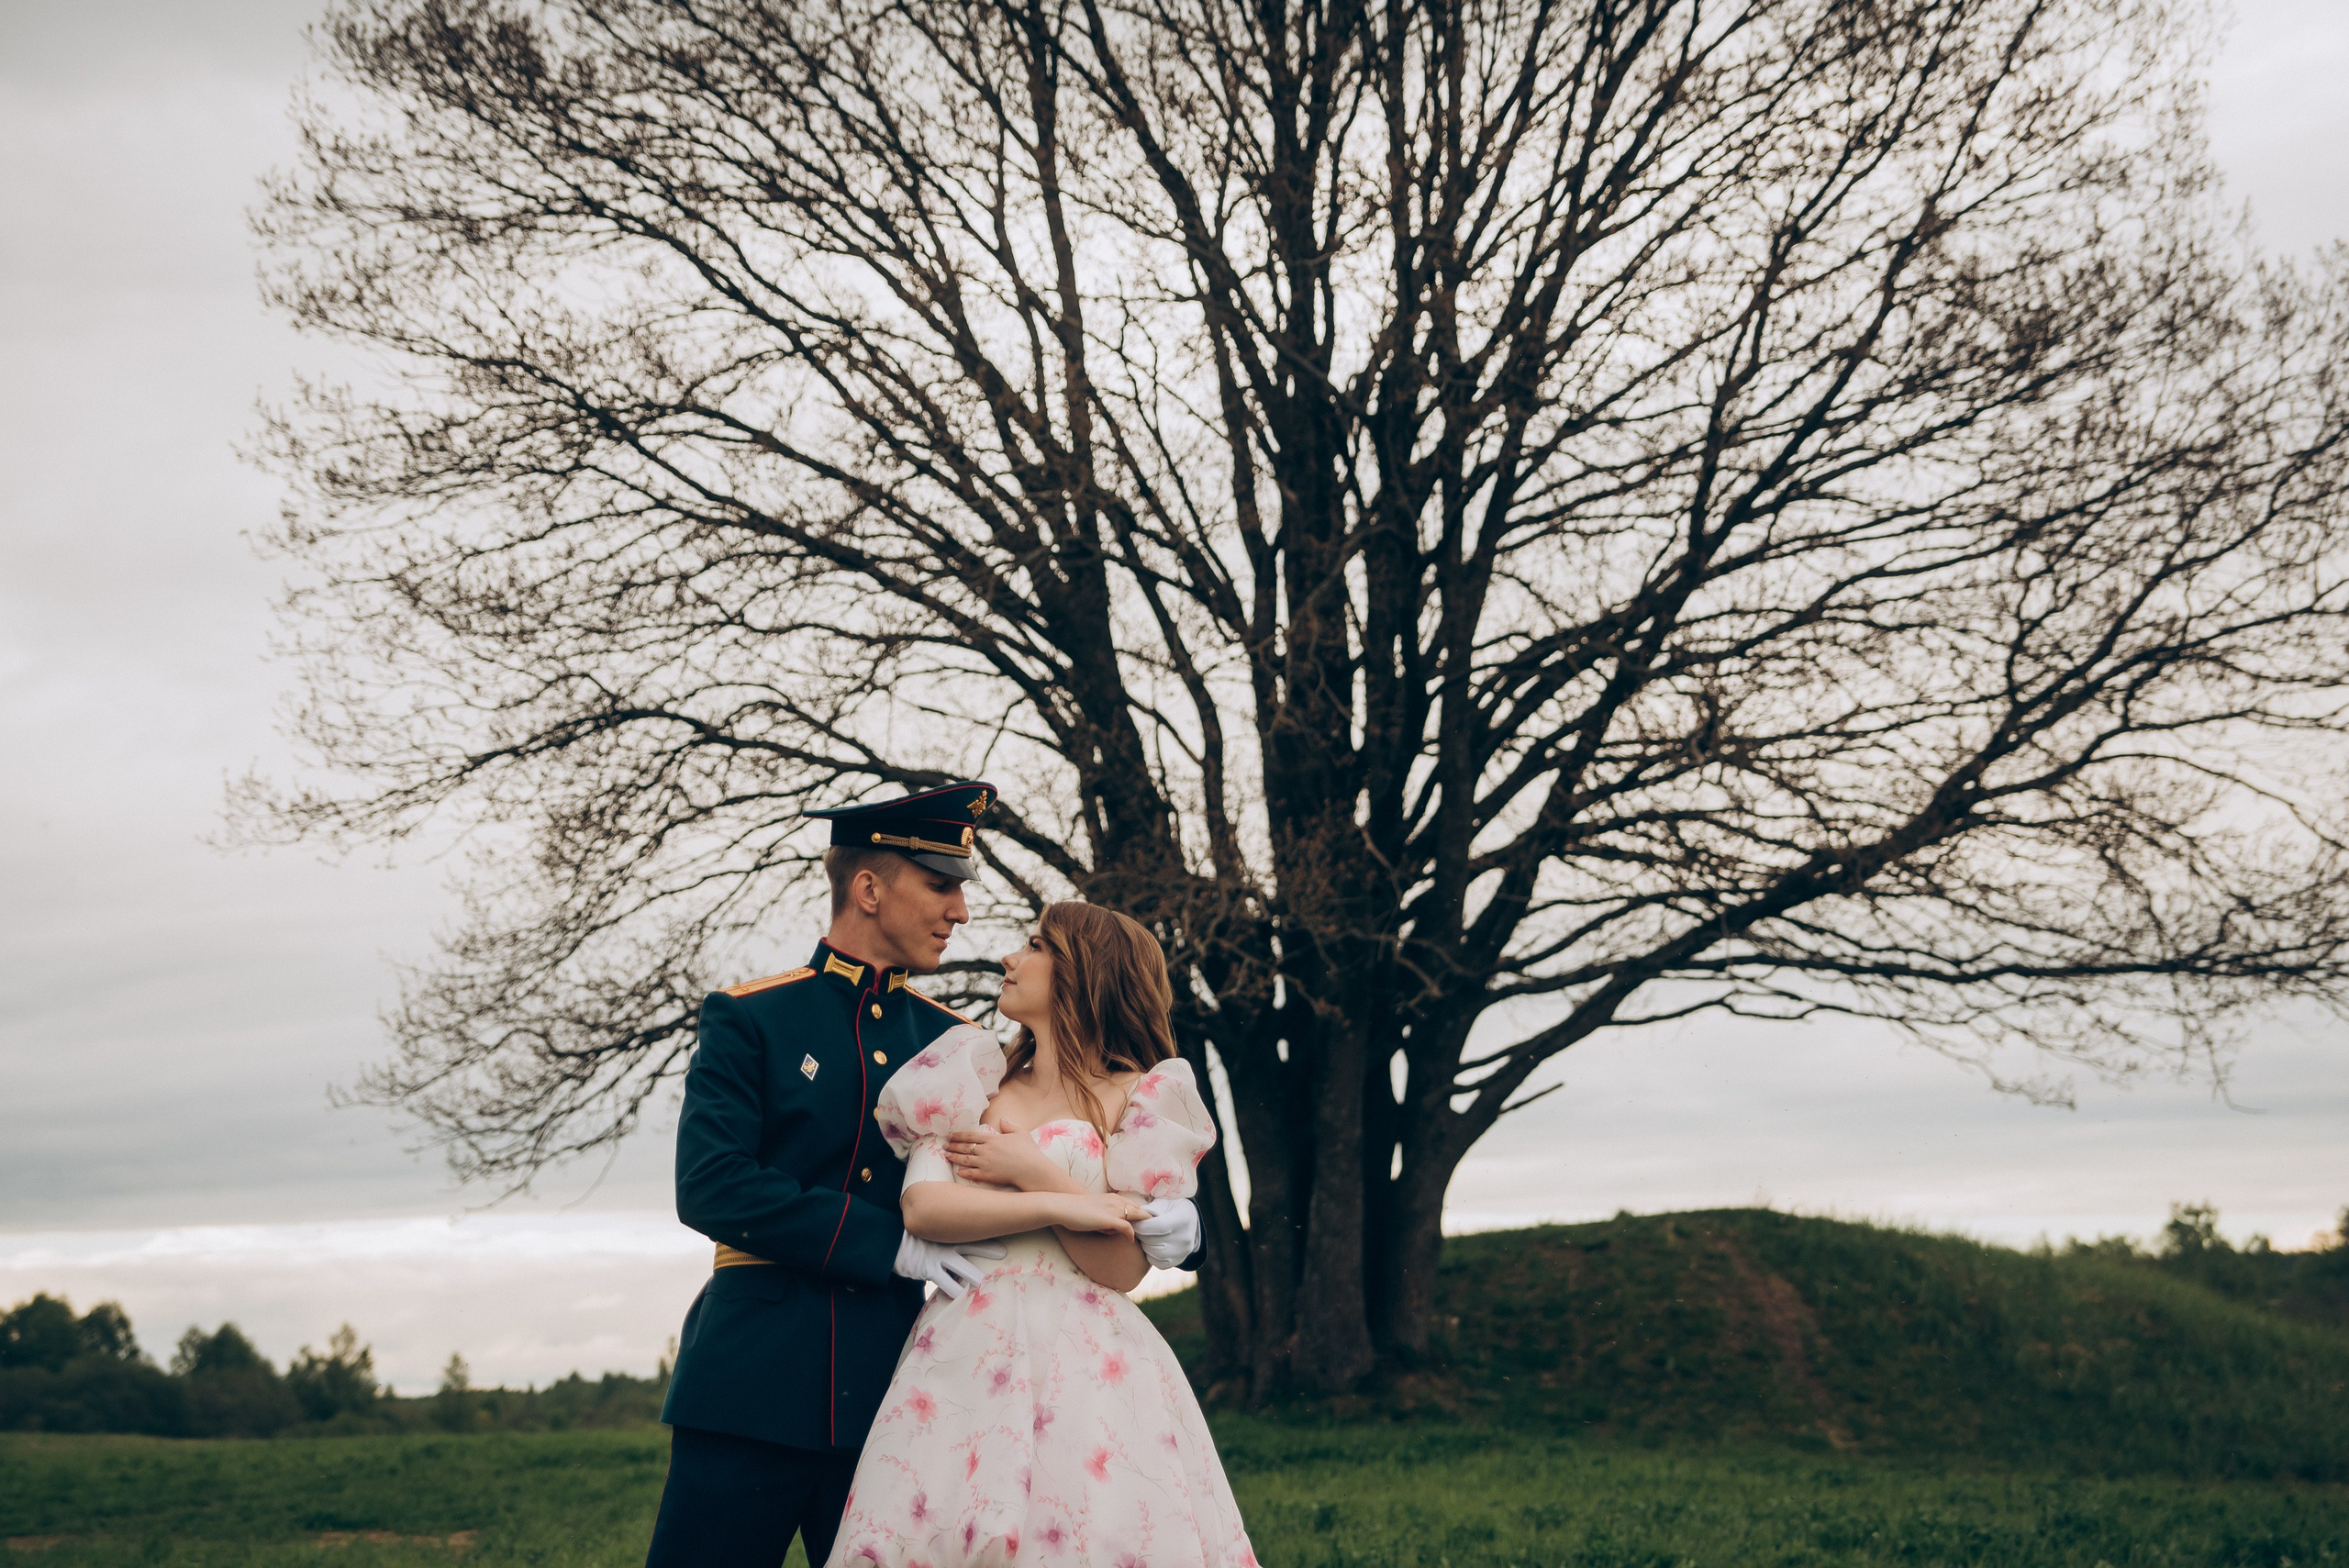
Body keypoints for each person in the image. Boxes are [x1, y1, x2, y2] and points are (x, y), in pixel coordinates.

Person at [643, 787, 1206, 1568]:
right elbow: (712, 1185)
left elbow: (1081, 1131)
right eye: (941, 884)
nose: (963, 910)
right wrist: (890, 1244)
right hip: (754, 1380)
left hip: (900, 1384)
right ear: (870, 888)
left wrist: (1182, 1227)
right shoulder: (754, 1018)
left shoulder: (957, 1044)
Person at [823, 902, 1258, 1567]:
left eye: (1033, 945)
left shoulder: (1138, 1098)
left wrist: (1031, 1170)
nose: (1009, 958)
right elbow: (925, 1209)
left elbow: (1118, 1269)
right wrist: (1072, 1204)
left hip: (1091, 1357)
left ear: (1085, 973)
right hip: (967, 1345)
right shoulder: (972, 1081)